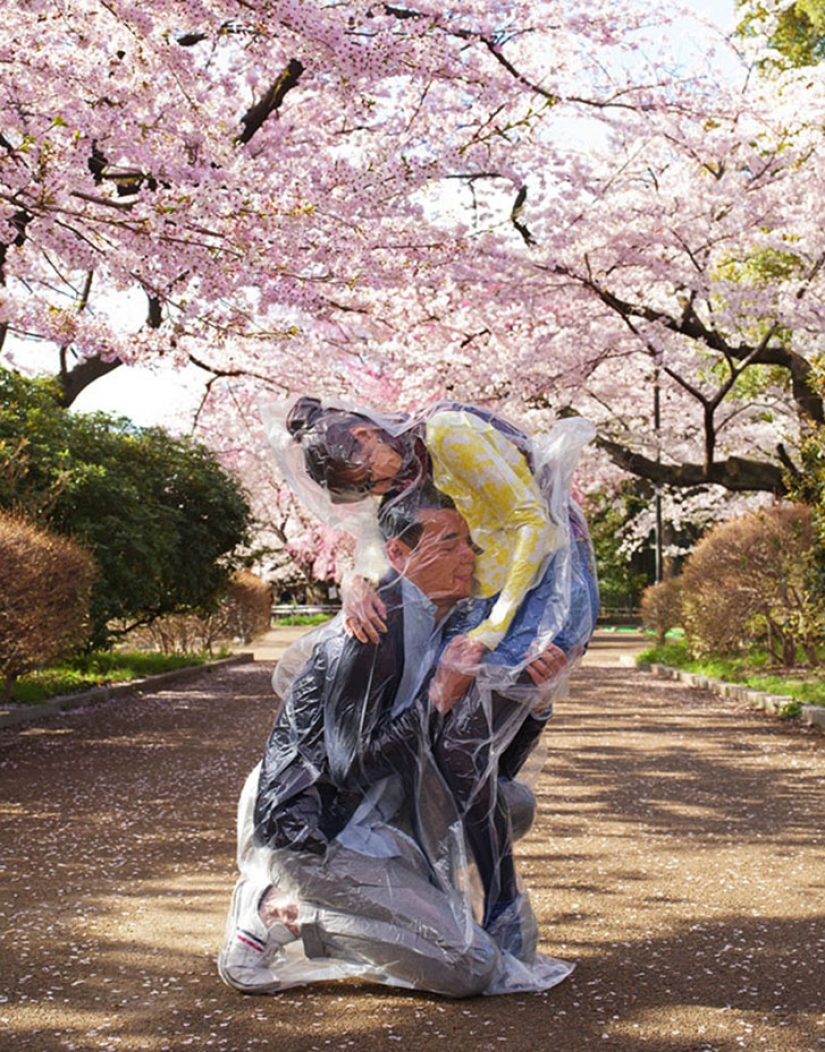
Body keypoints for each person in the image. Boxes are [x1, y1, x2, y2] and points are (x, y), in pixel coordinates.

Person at [218, 486, 574, 998]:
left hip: (384, 812)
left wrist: (535, 701)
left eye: (468, 542)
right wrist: (437, 697)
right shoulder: (367, 633)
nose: (469, 556)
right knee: (468, 966)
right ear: (399, 555)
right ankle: (282, 912)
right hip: (312, 830)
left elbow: (484, 768)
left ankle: (403, 890)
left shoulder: (450, 629)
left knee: (511, 804)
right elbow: (350, 766)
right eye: (449, 543)